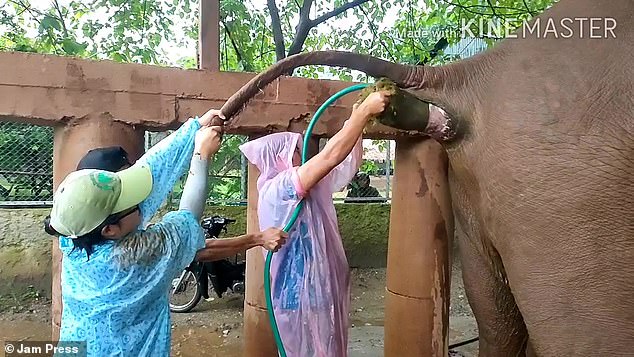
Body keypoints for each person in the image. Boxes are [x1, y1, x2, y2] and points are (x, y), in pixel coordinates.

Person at [44, 110, 287, 356]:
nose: (142, 202)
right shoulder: (138, 255)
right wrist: (201, 156)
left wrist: (194, 128)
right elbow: (187, 219)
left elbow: (151, 171)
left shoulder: (71, 237)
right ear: (109, 230)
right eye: (132, 203)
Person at [239, 91, 390, 357]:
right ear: (279, 157)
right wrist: (362, 112)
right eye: (296, 151)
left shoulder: (307, 186)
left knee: (328, 349)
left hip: (320, 290)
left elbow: (341, 165)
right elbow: (329, 158)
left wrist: (355, 125)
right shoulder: (279, 188)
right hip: (295, 296)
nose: (302, 155)